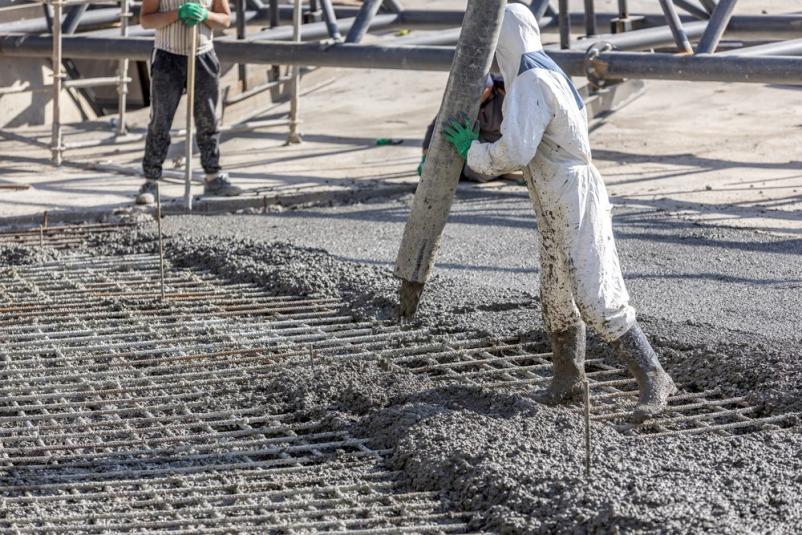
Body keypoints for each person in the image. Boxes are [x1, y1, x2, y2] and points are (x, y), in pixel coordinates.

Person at [443, 4, 676, 423]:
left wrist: (472, 152)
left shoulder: (531, 81)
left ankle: (654, 376)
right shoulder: (538, 70)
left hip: (573, 194)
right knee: (556, 294)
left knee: (595, 294)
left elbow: (514, 151)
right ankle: (568, 379)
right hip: (555, 192)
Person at [137, 0, 242, 205]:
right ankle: (151, 181)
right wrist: (176, 14)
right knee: (160, 120)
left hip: (203, 55)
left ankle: (213, 176)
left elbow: (225, 19)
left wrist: (205, 15)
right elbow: (146, 20)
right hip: (168, 56)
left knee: (208, 119)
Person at [419, 75, 506, 182]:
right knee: (444, 156)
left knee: (476, 172)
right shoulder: (465, 100)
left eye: (481, 90)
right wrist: (426, 155)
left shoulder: (504, 96)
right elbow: (440, 123)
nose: (477, 95)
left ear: (490, 87)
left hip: (500, 141)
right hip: (474, 136)